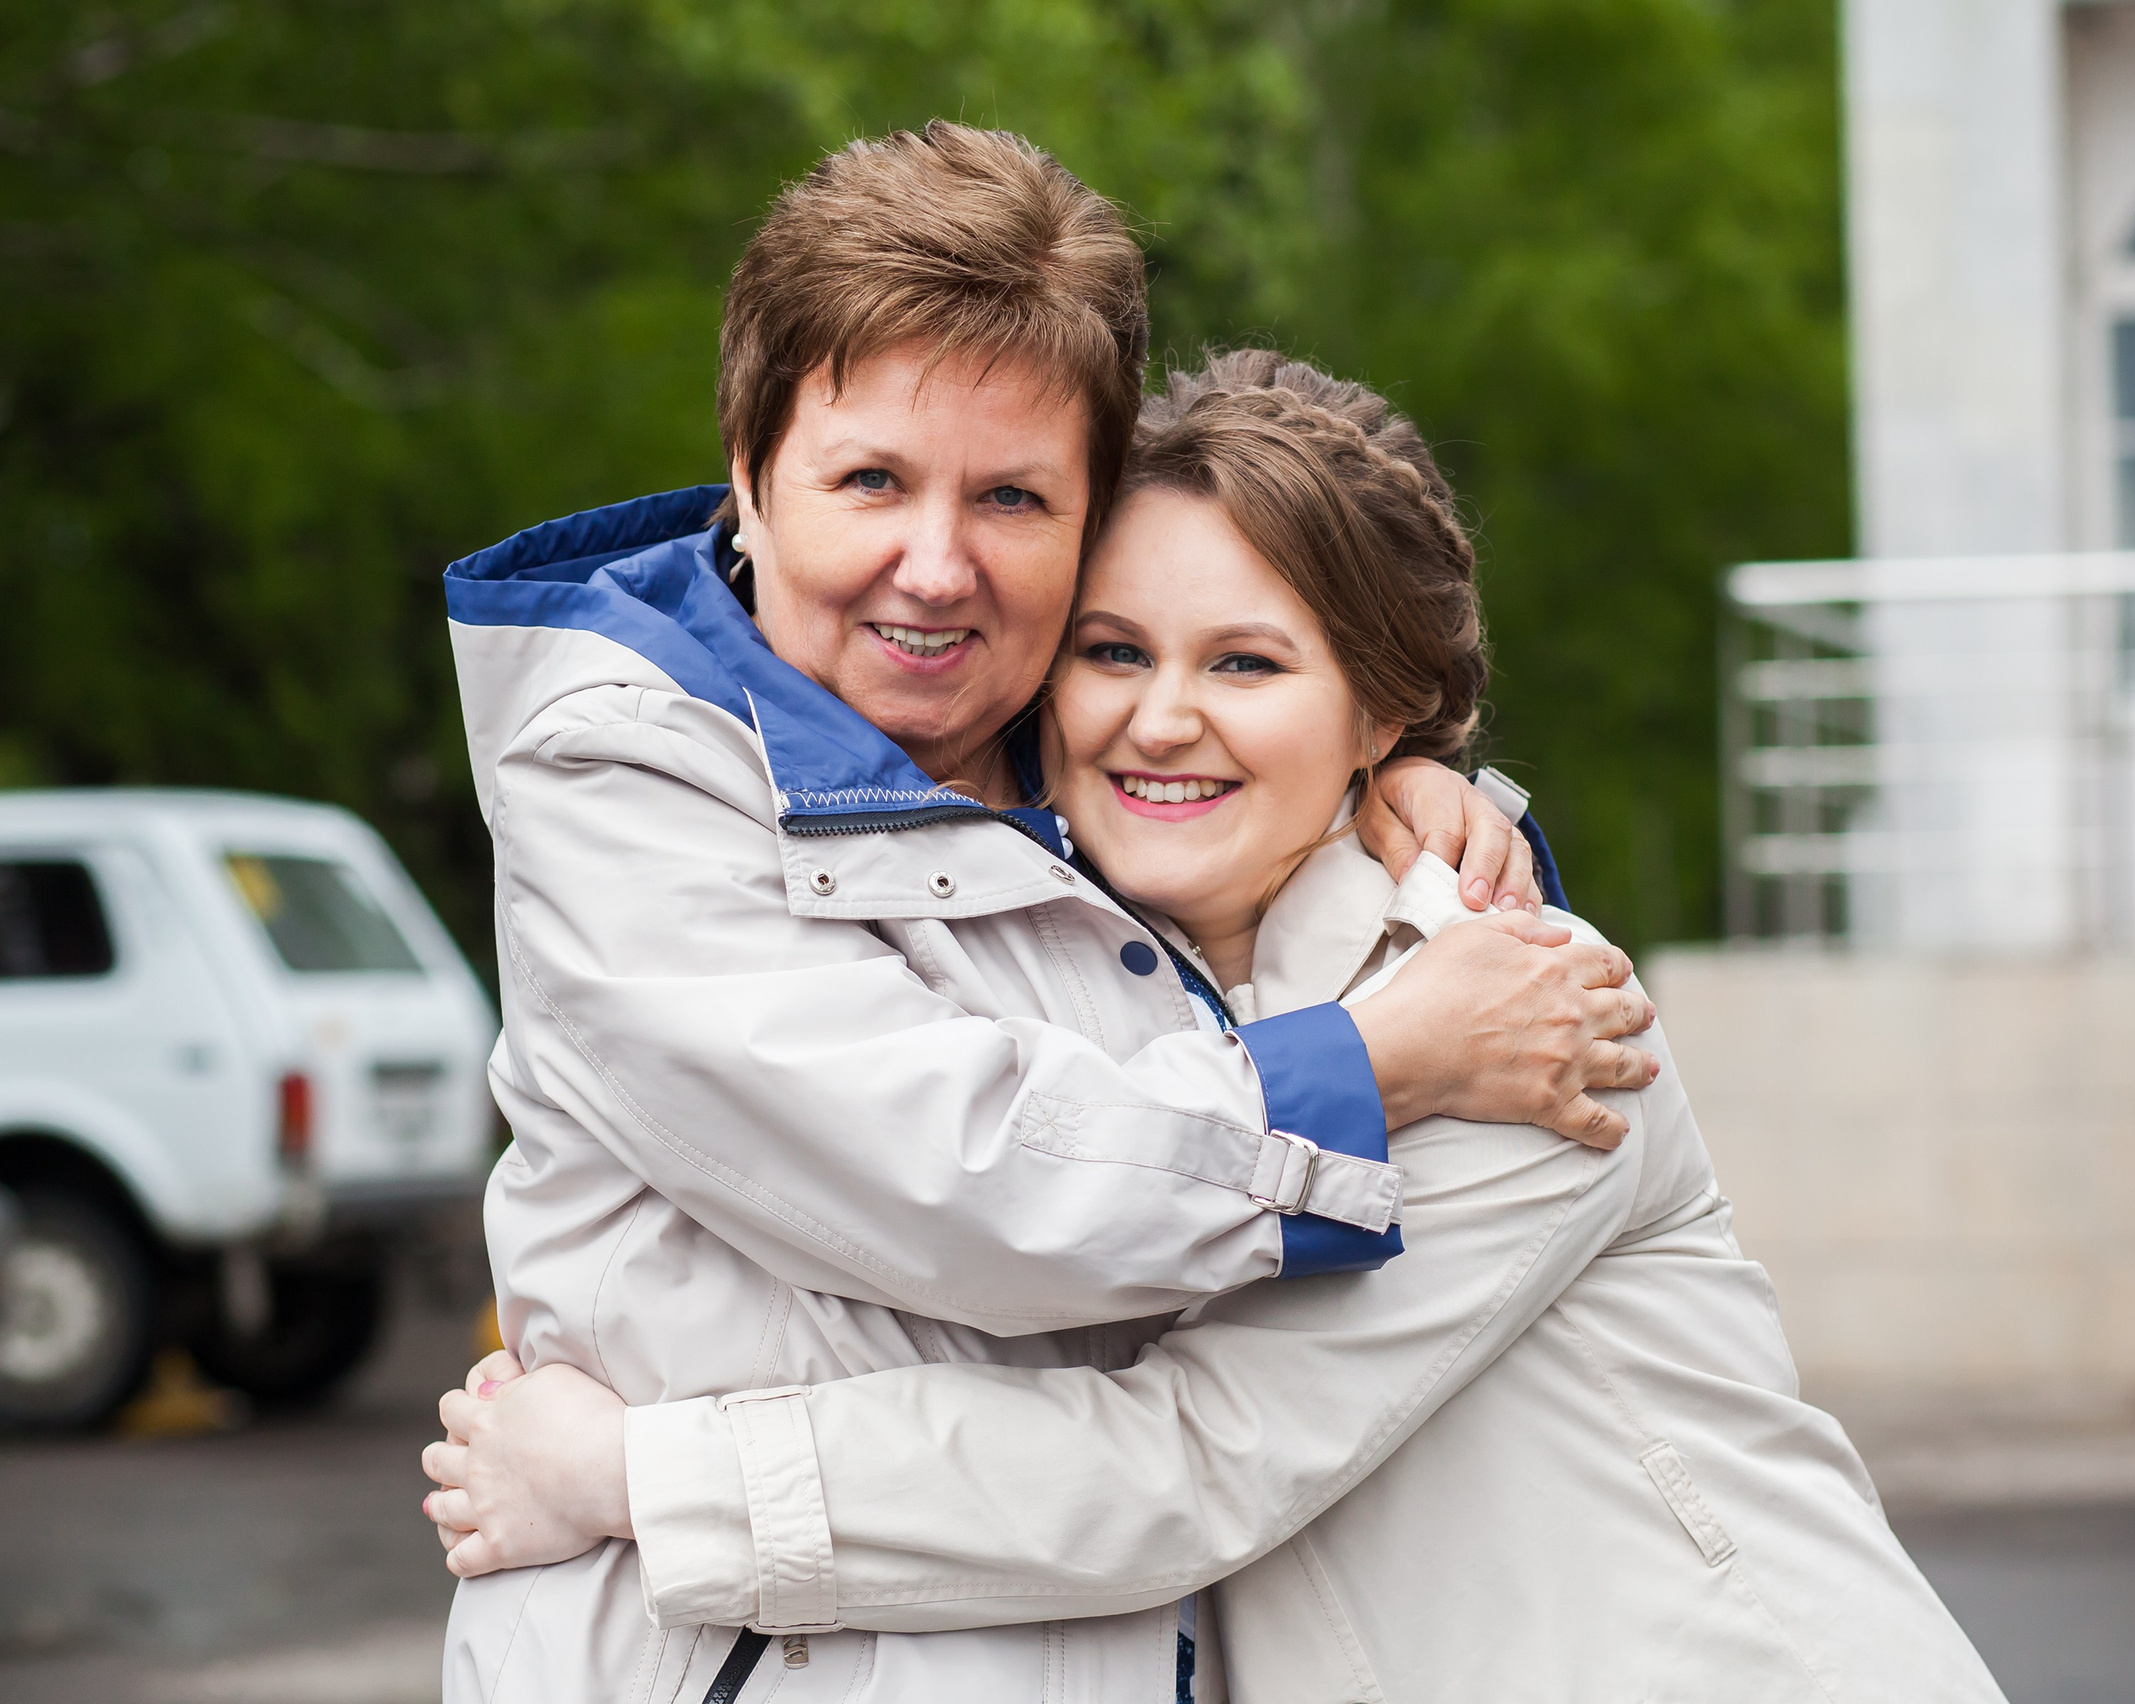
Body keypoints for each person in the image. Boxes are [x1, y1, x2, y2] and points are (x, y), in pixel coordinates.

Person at [428, 353, 2008, 1704]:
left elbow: (1178, 1463)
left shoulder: (1516, 1018)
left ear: (1384, 710)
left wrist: (634, 1478)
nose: (1159, 716)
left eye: (1245, 662)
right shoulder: (1114, 1025)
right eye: (1114, 650)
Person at [433, 126, 1655, 1704]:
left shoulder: (1084, 785)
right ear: (747, 474)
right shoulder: (623, 779)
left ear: (1087, 521)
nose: (932, 568)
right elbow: (966, 1182)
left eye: (1012, 498)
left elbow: (1251, 718)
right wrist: (1375, 1061)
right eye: (870, 479)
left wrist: (1411, 786)